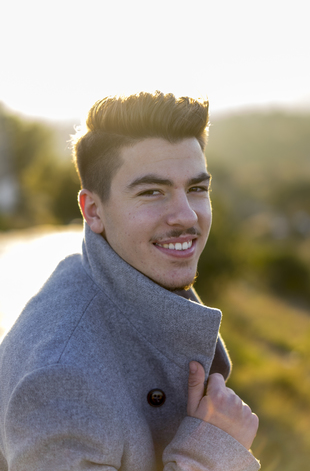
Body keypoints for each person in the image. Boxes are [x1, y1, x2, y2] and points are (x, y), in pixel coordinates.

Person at [0, 91, 260, 470]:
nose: (186, 216)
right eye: (152, 192)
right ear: (93, 210)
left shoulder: (93, 272)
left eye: (196, 189)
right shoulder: (61, 382)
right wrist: (210, 452)